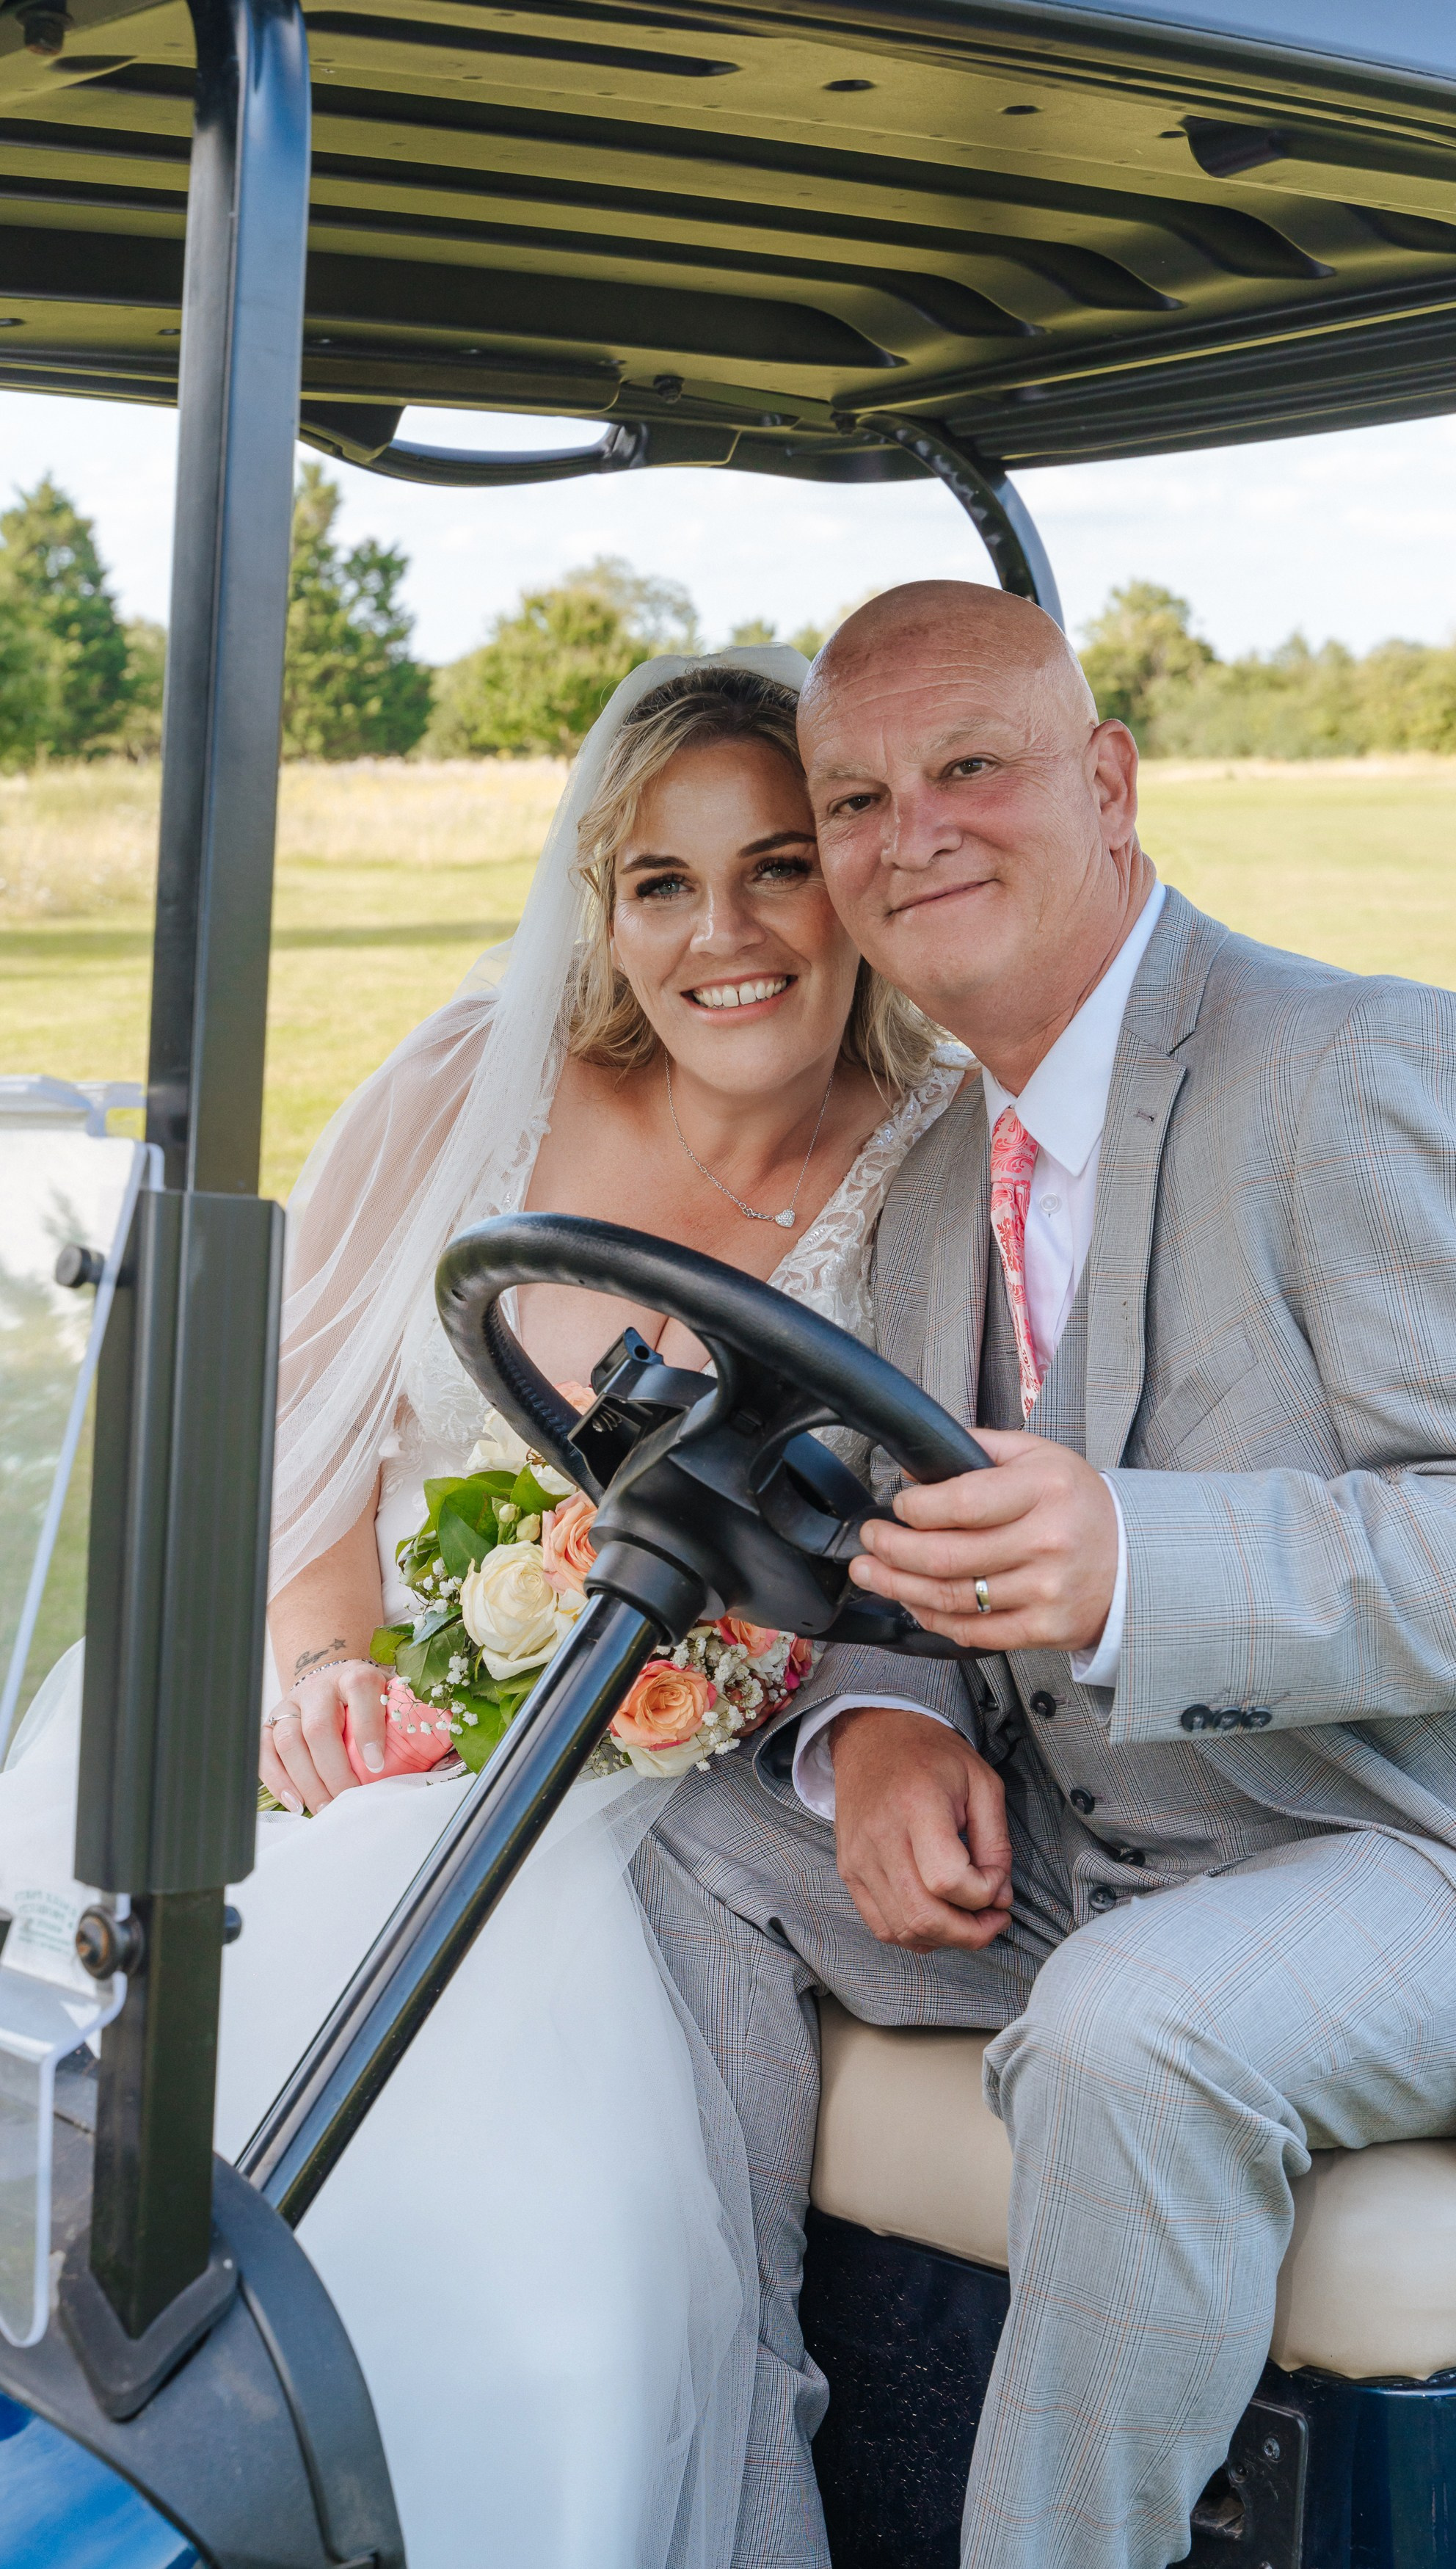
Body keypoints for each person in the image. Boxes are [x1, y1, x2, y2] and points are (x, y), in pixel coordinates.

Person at [634, 583, 1456, 2569]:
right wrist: (878, 1722)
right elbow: (906, 1540)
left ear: (1110, 783)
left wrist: (1142, 1552)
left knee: (1138, 2024)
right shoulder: (953, 1160)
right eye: (858, 797)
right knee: (682, 1839)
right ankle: (737, 2500)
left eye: (972, 767)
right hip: (1145, 1837)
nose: (910, 831)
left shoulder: (1367, 1069)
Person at [0, 647, 964, 2569]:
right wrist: (318, 1672)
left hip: (676, 1777)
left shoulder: (936, 1162)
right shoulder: (475, 1075)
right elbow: (315, 1439)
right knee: (223, 1896)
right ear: (601, 903)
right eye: (665, 882)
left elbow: (939, 1518)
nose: (730, 937)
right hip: (368, 1696)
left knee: (452, 2008)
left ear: (851, 881)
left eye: (779, 865)